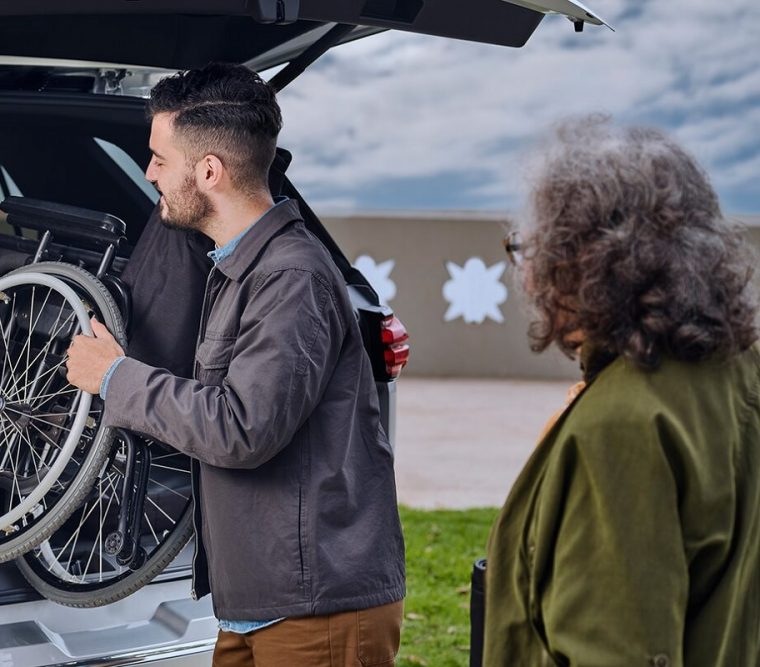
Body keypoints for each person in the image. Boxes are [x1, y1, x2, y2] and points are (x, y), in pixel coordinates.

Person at [66, 63, 405, 666]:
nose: (149, 174)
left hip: (314, 608)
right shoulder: (239, 267)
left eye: (159, 160)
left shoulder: (291, 278)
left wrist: (116, 377)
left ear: (210, 172)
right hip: (259, 600)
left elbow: (242, 428)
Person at [484, 115, 760, 666]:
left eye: (531, 248)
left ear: (586, 259)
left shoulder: (621, 425)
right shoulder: (740, 367)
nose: (527, 273)